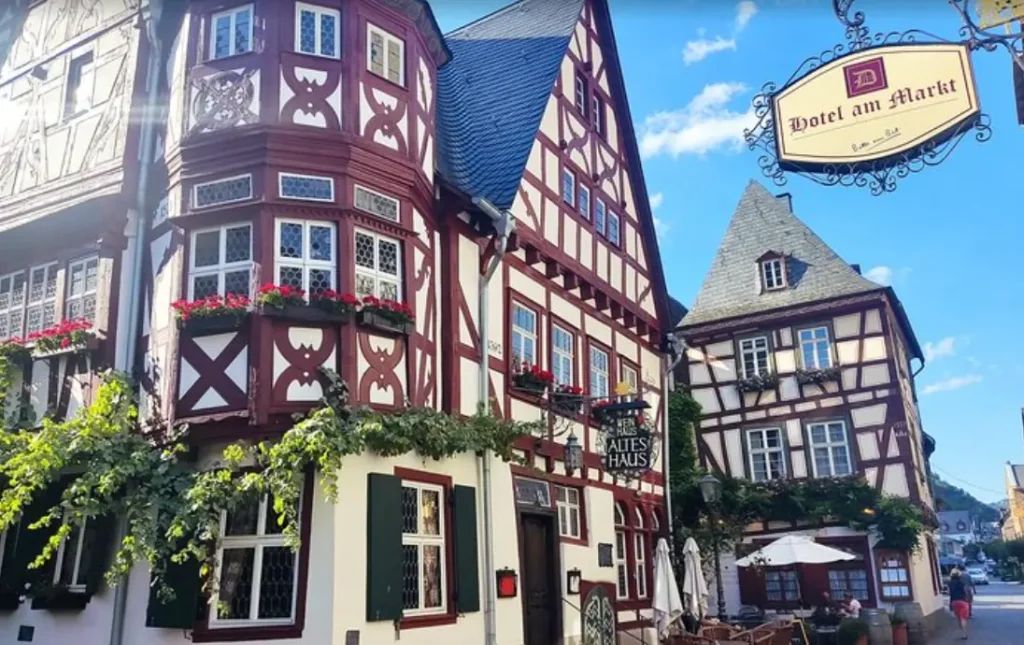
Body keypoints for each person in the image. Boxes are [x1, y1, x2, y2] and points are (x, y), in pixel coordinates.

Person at [949, 569, 970, 640]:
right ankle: (964, 634)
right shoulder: (961, 583)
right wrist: (967, 599)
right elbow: (965, 591)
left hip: (954, 602)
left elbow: (950, 593)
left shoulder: (950, 583)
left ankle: (962, 633)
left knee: (958, 618)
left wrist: (950, 604)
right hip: (962, 602)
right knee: (963, 618)